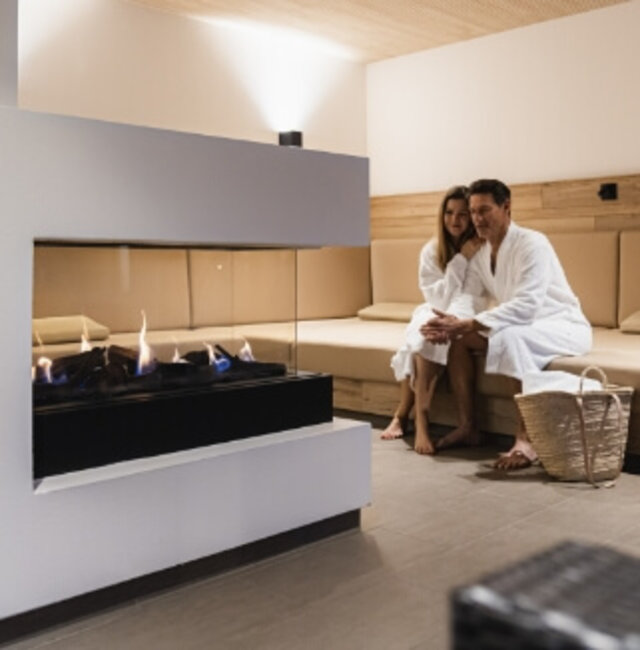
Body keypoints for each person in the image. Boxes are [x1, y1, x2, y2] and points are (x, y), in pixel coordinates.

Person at [422, 179, 592, 469]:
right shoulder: (481, 255)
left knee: (510, 336)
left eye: (484, 210)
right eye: (473, 211)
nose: (477, 219)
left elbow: (527, 305)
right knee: (460, 339)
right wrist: (452, 324)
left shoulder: (533, 244)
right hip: (521, 326)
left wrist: (471, 323)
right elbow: (469, 296)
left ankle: (526, 439)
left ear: (506, 207)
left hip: (561, 326)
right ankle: (468, 426)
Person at [381, 185, 482, 454]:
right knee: (425, 330)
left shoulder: (482, 248)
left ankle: (404, 415)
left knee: (431, 332)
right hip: (436, 306)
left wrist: (454, 319)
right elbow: (437, 298)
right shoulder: (431, 250)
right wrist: (461, 259)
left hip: (469, 310)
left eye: (462, 214)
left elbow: (476, 295)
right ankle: (421, 422)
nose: (455, 220)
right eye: (449, 212)